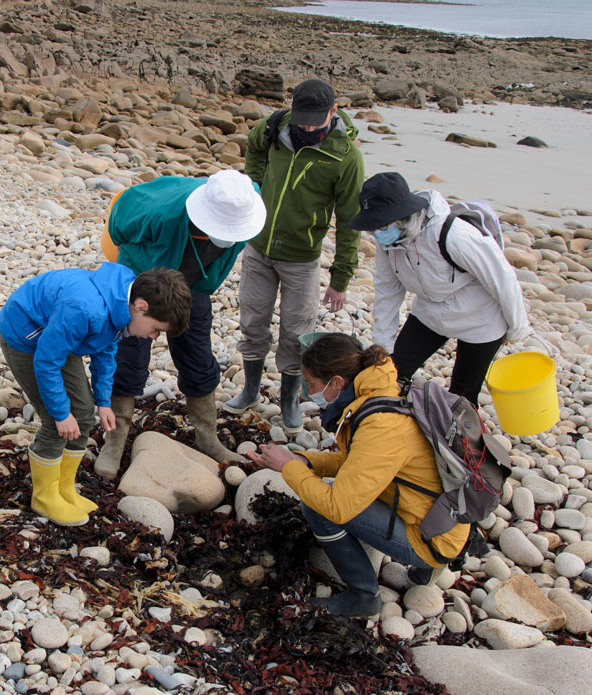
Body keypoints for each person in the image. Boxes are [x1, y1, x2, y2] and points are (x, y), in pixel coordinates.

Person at [247, 333, 471, 617]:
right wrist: (300, 459)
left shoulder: (381, 425)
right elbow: (355, 461)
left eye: (313, 384)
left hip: (432, 537)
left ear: (337, 382)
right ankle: (423, 568)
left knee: (319, 505)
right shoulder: (382, 392)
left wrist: (288, 469)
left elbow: (339, 507)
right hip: (442, 516)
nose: (307, 393)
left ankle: (364, 595)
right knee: (328, 488)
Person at [94, 169, 267, 478]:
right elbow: (119, 223)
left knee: (198, 356)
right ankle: (115, 439)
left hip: (194, 282)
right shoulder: (160, 213)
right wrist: (135, 274)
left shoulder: (246, 202)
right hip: (145, 276)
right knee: (130, 357)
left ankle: (207, 437)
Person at [0, 264, 191, 526]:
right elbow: (46, 361)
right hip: (27, 337)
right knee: (57, 423)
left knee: (84, 414)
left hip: (59, 337)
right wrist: (61, 413)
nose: (155, 337)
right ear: (142, 306)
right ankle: (44, 497)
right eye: (157, 329)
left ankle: (64, 488)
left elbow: (106, 349)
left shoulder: (122, 302)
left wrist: (103, 401)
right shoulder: (85, 308)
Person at [227, 78, 365, 433]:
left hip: (302, 258)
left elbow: (350, 220)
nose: (305, 127)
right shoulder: (275, 127)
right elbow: (255, 147)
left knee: (296, 331)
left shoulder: (346, 157)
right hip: (259, 247)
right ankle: (250, 389)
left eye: (314, 122)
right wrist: (256, 184)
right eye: (301, 119)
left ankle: (289, 399)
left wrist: (340, 278)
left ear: (333, 112)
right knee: (252, 320)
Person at [351, 172, 530, 406]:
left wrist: (516, 328)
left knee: (461, 396)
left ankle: (465, 441)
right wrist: (382, 348)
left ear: (403, 217)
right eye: (373, 228)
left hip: (480, 318)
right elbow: (387, 291)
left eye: (382, 225)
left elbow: (502, 278)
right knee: (392, 373)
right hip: (430, 311)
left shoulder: (454, 235)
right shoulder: (387, 242)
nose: (376, 233)